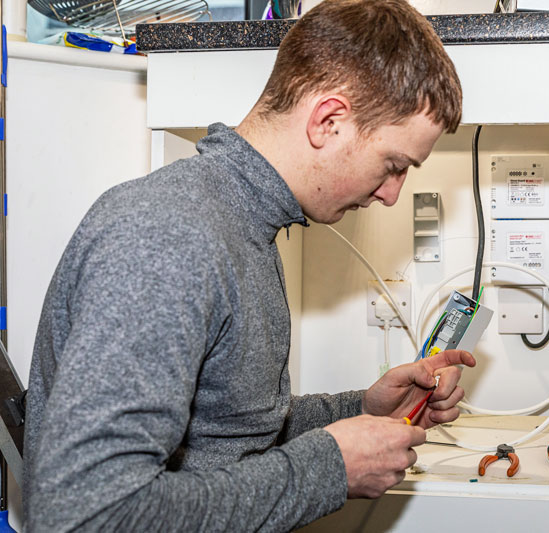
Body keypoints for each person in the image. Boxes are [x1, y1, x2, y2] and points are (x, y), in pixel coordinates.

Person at [23, 0, 471, 531]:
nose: (393, 194)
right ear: (329, 120)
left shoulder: (243, 224)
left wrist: (363, 409)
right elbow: (86, 513)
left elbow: (227, 432)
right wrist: (327, 468)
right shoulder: (169, 236)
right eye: (394, 165)